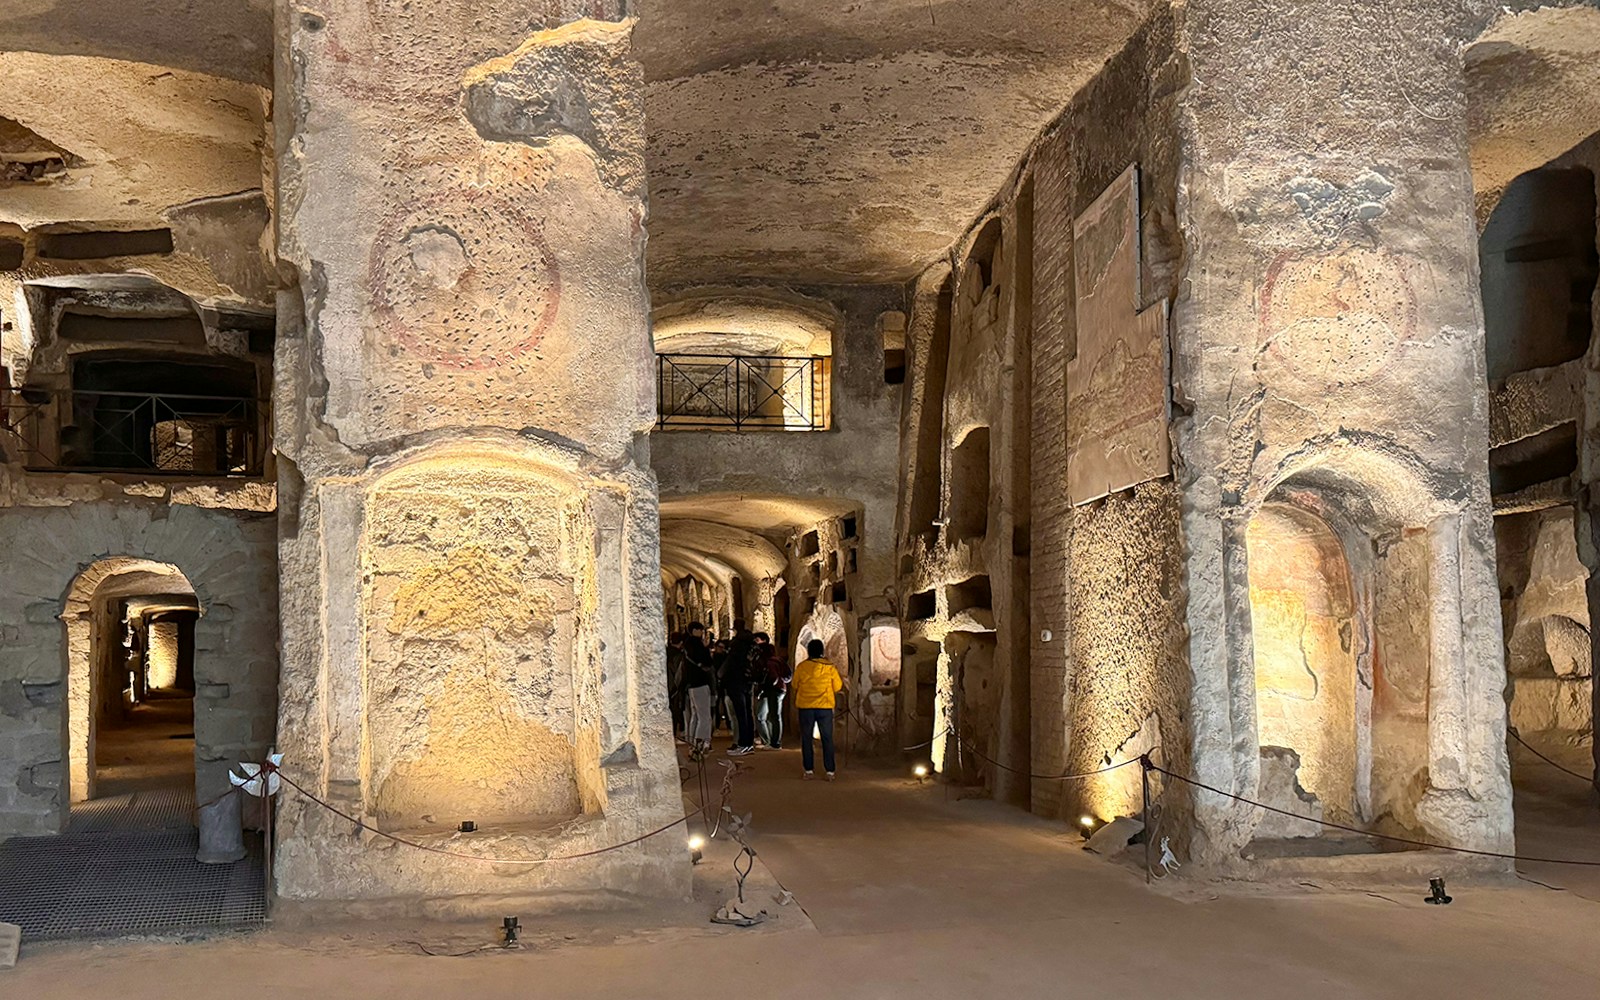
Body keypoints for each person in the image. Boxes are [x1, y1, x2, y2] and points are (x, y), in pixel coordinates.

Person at [791, 638, 843, 779]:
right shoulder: (830, 667)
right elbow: (838, 687)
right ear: (822, 651)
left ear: (808, 651)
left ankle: (808, 770)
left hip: (806, 707)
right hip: (824, 707)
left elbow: (795, 685)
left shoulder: (802, 667)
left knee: (806, 739)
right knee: (827, 738)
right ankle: (830, 771)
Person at [722, 619, 758, 755]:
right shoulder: (751, 641)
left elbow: (732, 664)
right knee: (748, 713)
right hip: (748, 681)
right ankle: (749, 743)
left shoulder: (737, 643)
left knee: (741, 714)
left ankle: (743, 744)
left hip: (737, 681)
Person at [752, 632, 789, 750]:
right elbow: (788, 676)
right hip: (777, 690)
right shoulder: (779, 660)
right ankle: (769, 741)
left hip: (772, 690)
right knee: (767, 716)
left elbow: (772, 677)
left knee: (771, 716)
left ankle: (774, 743)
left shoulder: (768, 662)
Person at [681, 622, 715, 753]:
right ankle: (701, 744)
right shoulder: (696, 644)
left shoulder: (687, 645)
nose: (702, 633)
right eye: (700, 630)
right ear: (694, 630)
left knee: (695, 715)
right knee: (704, 717)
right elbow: (707, 661)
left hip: (691, 685)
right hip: (700, 683)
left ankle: (693, 743)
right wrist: (707, 651)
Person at [666, 631, 688, 741]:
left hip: (665, 686)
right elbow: (678, 673)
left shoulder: (665, 652)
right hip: (674, 687)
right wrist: (678, 687)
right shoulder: (678, 655)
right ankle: (674, 735)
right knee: (675, 711)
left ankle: (671, 734)